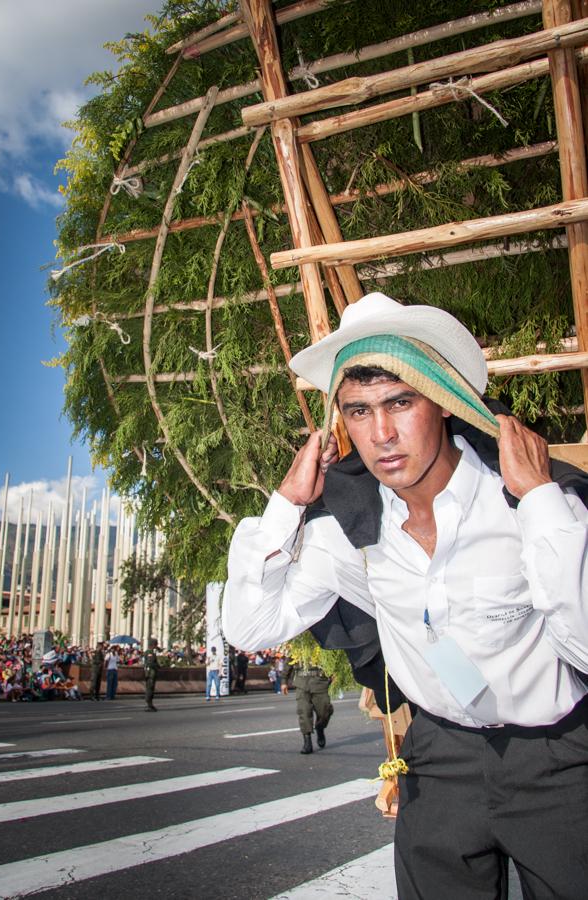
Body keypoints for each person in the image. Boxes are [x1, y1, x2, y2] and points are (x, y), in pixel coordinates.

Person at [222, 292, 588, 900]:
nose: (382, 434)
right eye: (358, 411)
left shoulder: (534, 505)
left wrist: (541, 503)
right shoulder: (352, 529)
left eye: (399, 402)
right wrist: (286, 504)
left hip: (558, 761)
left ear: (444, 403)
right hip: (437, 760)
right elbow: (249, 626)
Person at [281, 662, 333, 754]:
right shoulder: (296, 647)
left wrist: (334, 674)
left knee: (325, 710)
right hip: (302, 684)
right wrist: (284, 681)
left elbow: (333, 658)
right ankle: (307, 742)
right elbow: (289, 663)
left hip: (320, 682)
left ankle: (320, 728)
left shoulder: (323, 646)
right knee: (304, 712)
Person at [143, 638, 159, 711]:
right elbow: (150, 663)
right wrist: (157, 666)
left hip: (151, 673)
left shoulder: (151, 652)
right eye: (156, 644)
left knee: (151, 688)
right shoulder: (150, 653)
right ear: (153, 645)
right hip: (150, 674)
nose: (156, 646)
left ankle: (150, 704)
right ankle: (149, 704)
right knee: (150, 688)